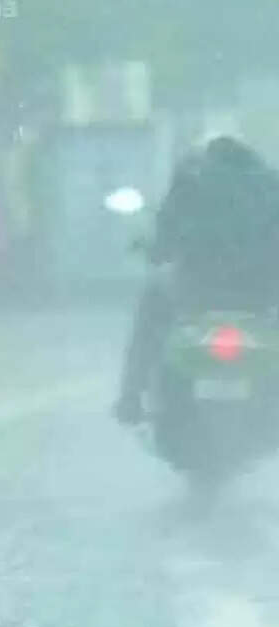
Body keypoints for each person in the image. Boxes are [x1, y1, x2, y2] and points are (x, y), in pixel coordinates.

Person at [115, 135, 279, 423]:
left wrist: (153, 250)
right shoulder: (270, 184)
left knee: (151, 307)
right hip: (260, 294)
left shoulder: (191, 177)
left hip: (196, 291)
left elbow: (164, 239)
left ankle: (130, 396)